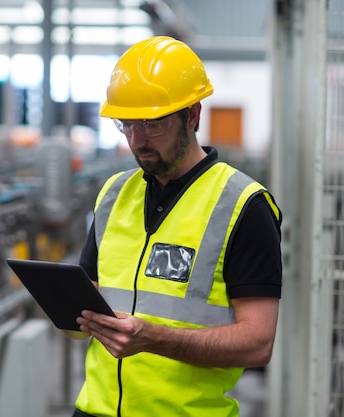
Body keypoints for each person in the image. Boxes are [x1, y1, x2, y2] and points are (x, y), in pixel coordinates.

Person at [70, 35, 282, 417]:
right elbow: (90, 298)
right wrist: (71, 311)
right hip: (94, 410)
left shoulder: (243, 205)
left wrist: (155, 339)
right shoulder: (115, 194)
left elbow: (258, 343)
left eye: (152, 124)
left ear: (192, 115)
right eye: (126, 125)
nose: (138, 141)